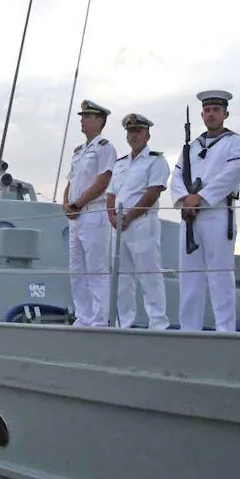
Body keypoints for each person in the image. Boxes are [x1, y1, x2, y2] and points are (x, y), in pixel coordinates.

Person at [169, 90, 240, 332]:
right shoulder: (191, 147)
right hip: (191, 216)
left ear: (225, 113)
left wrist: (200, 198)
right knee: (189, 278)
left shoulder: (235, 142)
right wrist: (185, 199)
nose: (211, 114)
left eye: (216, 110)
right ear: (202, 114)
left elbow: (231, 175)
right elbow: (177, 177)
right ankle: (189, 330)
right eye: (207, 110)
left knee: (220, 277)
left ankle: (225, 331)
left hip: (217, 213)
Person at [106, 113, 171, 330]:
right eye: (130, 132)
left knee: (149, 275)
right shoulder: (121, 164)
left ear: (147, 134)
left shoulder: (156, 160)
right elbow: (111, 194)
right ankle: (123, 323)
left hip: (142, 223)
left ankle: (158, 324)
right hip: (118, 226)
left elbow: (153, 192)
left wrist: (130, 216)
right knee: (122, 279)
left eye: (138, 131)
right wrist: (113, 217)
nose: (134, 136)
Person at [63, 99, 117, 327]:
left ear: (100, 120)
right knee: (76, 270)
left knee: (96, 269)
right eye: (82, 116)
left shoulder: (105, 148)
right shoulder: (79, 151)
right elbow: (71, 180)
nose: (82, 120)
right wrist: (66, 203)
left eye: (87, 116)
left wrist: (79, 203)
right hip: (76, 216)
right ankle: (83, 316)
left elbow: (103, 180)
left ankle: (99, 319)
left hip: (94, 213)